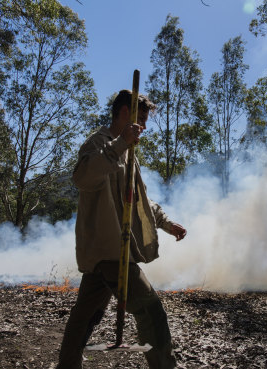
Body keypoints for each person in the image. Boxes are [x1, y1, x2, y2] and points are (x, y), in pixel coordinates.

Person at [56, 89, 187, 369]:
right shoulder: (99, 142)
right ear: (125, 113)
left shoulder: (128, 152)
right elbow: (82, 176)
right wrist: (119, 145)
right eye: (141, 118)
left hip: (108, 251)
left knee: (85, 317)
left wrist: (166, 223)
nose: (145, 126)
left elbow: (137, 196)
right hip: (109, 249)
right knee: (151, 310)